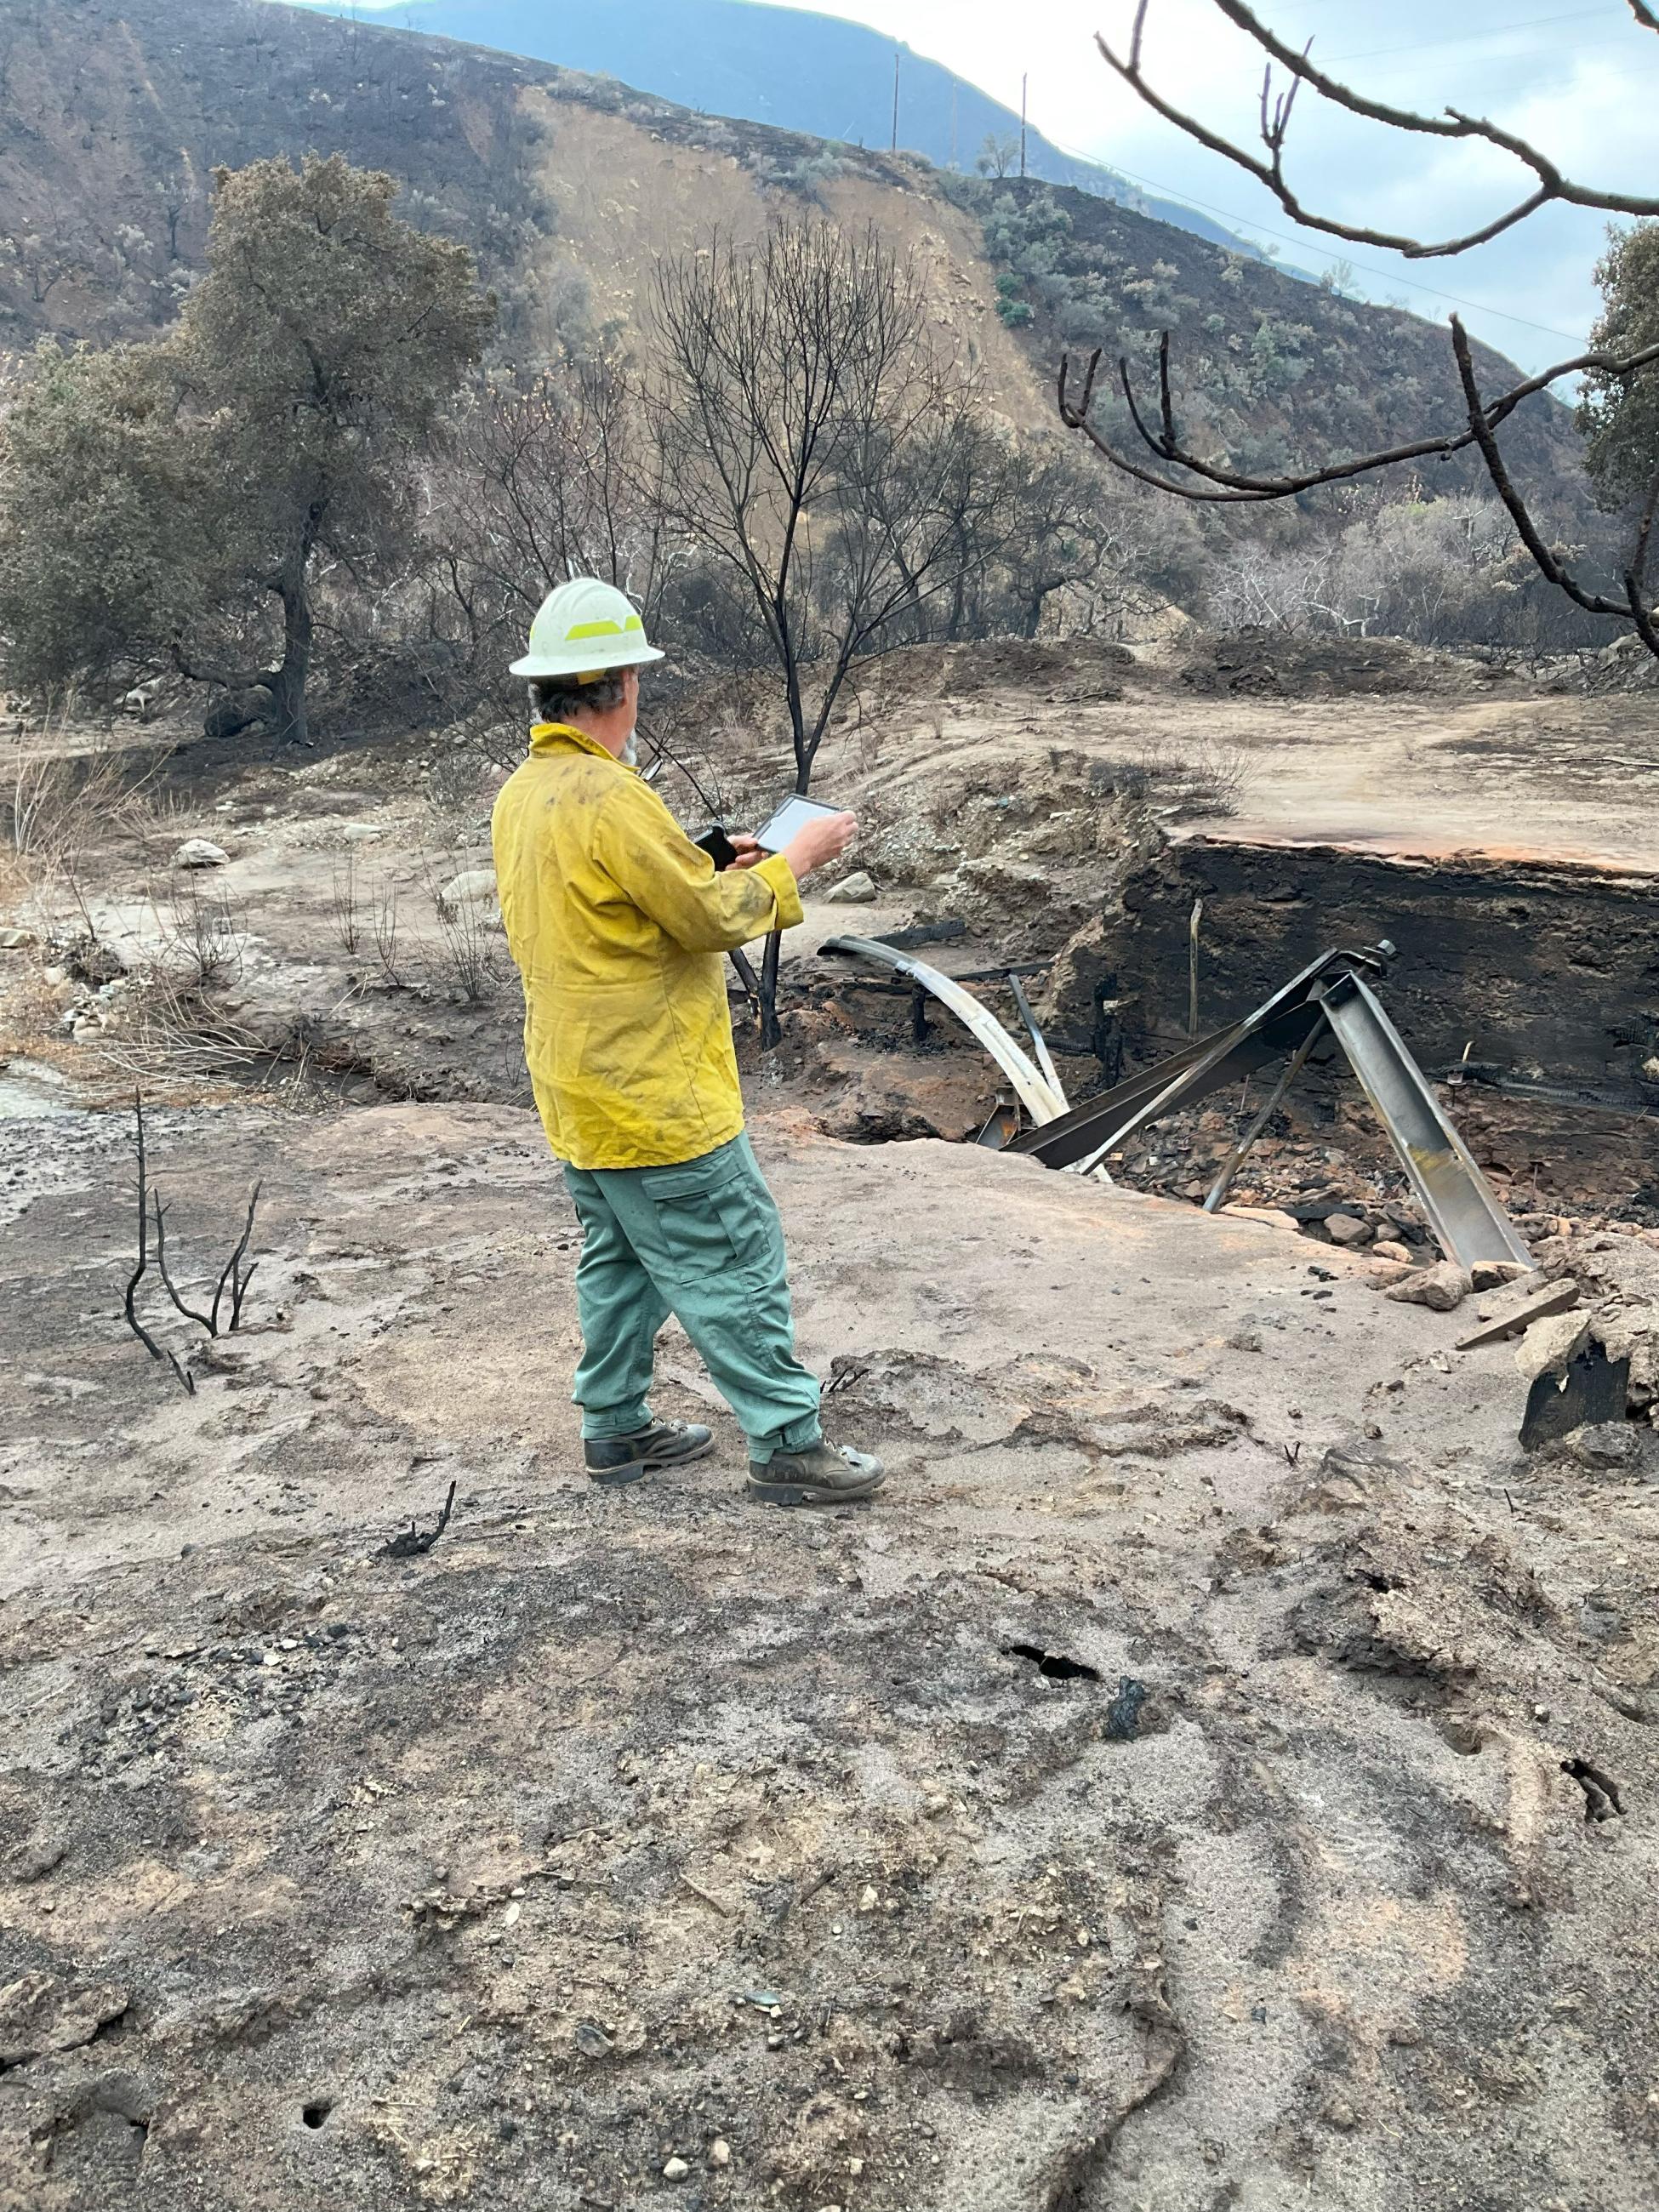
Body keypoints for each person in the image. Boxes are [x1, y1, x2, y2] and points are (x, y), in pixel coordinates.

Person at [492, 578, 887, 1507]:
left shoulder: (527, 791)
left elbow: (620, 895)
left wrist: (704, 848)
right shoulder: (608, 794)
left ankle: (616, 1426)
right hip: (654, 1093)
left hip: (578, 1091)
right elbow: (707, 920)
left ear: (548, 690)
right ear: (622, 685)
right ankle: (789, 1444)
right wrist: (797, 861)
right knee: (732, 1253)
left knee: (621, 1259)